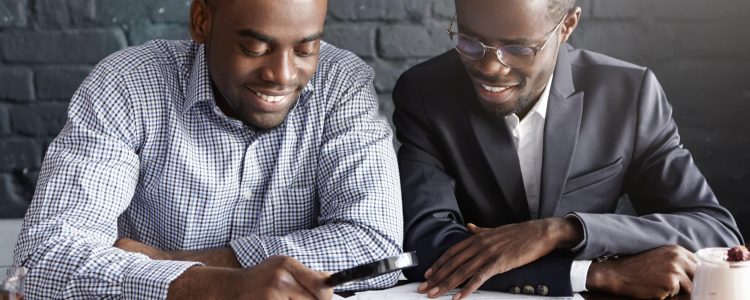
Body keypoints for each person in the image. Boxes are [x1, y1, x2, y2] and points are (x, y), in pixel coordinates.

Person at [13, 0, 403, 299]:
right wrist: (218, 288)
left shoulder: (341, 85)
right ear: (201, 21)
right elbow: (43, 259)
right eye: (255, 48)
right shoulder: (128, 85)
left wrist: (167, 262)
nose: (283, 75)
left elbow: (376, 245)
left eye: (306, 50)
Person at [393, 0, 743, 299]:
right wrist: (597, 273)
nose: (490, 67)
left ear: (567, 26)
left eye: (517, 49)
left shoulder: (628, 95)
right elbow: (428, 246)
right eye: (471, 42)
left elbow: (715, 232)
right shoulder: (425, 95)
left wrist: (561, 231)